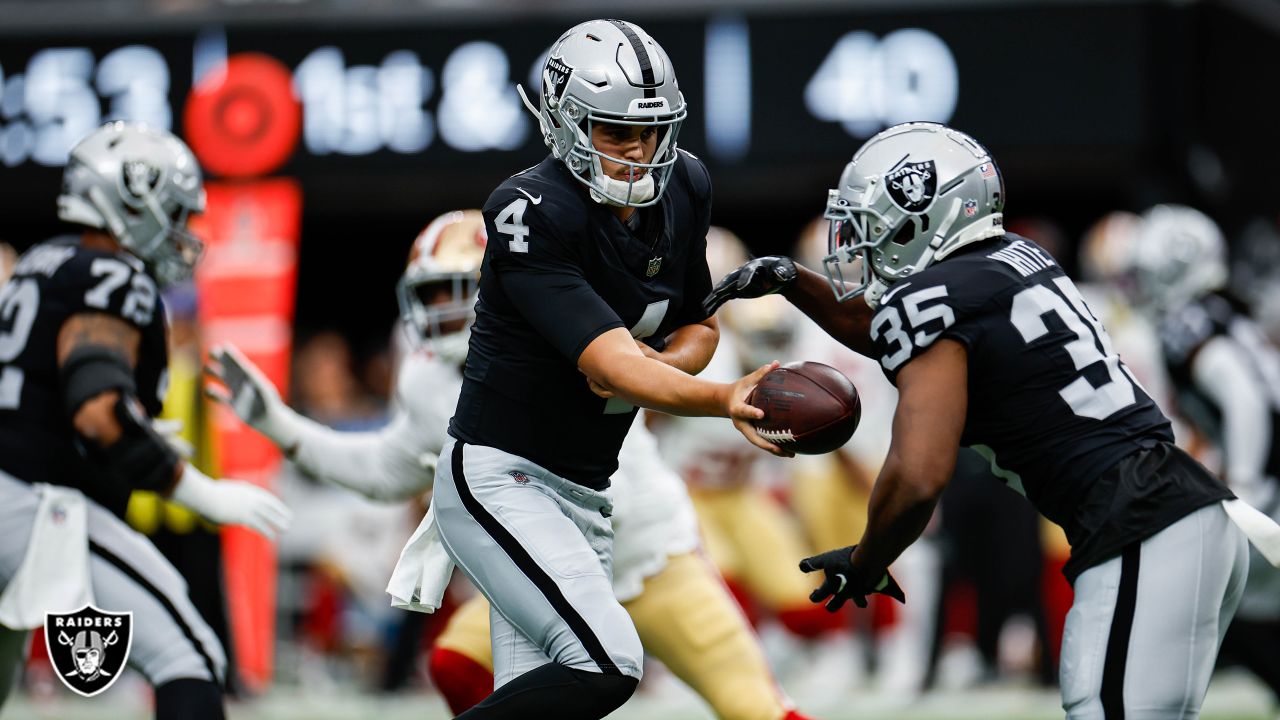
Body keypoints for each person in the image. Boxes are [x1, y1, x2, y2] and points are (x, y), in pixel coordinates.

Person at [705, 121, 1263, 718]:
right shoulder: (1015, 260)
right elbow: (897, 333)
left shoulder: (935, 304)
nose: (861, 241)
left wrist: (867, 559)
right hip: (1181, 509)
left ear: (924, 213)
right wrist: (793, 282)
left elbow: (919, 474)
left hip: (1143, 525)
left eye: (874, 220)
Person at [207, 209, 810, 719]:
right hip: (552, 580)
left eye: (456, 290)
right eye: (431, 293)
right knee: (456, 667)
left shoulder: (570, 334)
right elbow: (391, 468)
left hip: (647, 557)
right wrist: (281, 428)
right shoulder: (428, 374)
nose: (441, 310)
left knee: (756, 708)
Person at [403, 19, 779, 719]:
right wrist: (725, 395)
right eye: (615, 132)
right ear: (567, 124)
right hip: (502, 475)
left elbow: (697, 323)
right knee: (607, 665)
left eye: (652, 131)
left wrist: (662, 365)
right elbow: (611, 366)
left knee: (547, 698)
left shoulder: (685, 185)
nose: (640, 151)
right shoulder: (529, 210)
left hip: (585, 486)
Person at [0, 122, 290, 718]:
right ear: (132, 199)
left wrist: (134, 429)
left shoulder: (40, 262)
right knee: (193, 656)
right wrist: (200, 490)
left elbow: (42, 393)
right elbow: (97, 407)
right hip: (32, 504)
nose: (183, 231)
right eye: (175, 211)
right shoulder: (114, 276)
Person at [1129, 204, 1280, 710]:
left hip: (1272, 479)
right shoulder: (1222, 308)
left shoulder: (1188, 321)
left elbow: (1244, 396)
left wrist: (1246, 481)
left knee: (1206, 604)